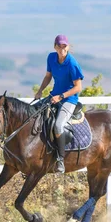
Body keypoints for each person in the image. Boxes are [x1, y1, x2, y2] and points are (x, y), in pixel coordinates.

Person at [34, 34, 84, 173]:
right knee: (34, 115)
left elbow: (78, 87)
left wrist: (61, 96)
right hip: (53, 96)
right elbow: (48, 76)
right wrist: (40, 91)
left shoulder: (72, 63)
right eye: (59, 46)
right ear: (55, 46)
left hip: (69, 100)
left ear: (68, 47)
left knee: (58, 125)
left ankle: (60, 160)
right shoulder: (51, 57)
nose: (62, 48)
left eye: (64, 46)